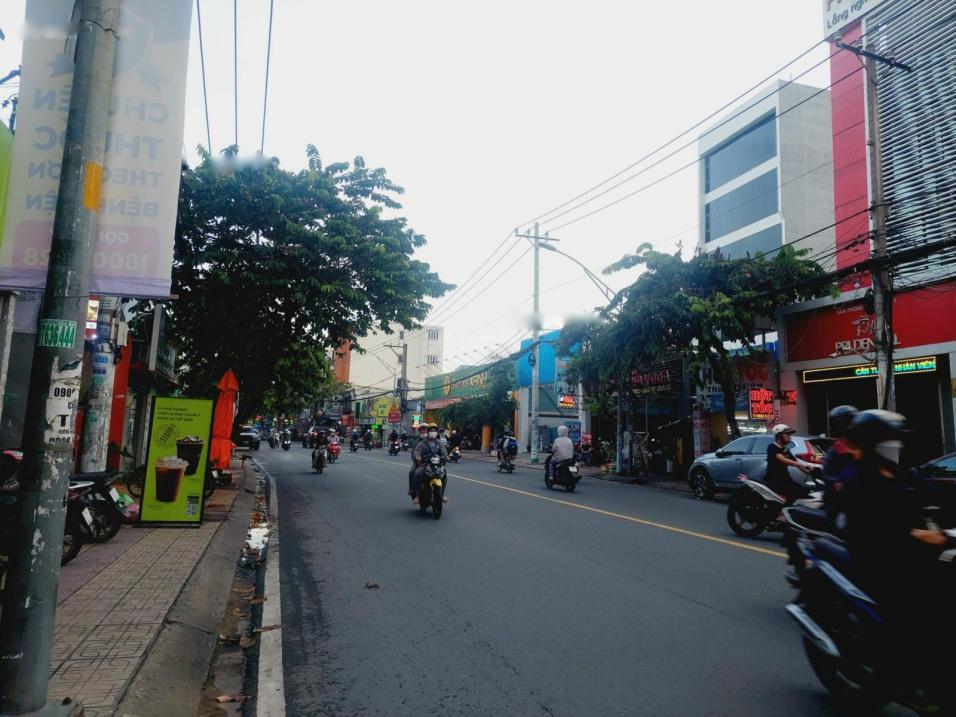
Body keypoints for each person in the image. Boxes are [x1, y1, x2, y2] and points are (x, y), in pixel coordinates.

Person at [821, 405, 859, 534]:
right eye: (852, 423)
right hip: (839, 501)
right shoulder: (836, 449)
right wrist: (838, 483)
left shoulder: (859, 446)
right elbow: (827, 473)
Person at [765, 424, 811, 503]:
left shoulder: (785, 449)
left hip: (786, 480)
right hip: (776, 481)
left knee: (805, 493)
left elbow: (796, 462)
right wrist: (801, 464)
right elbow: (783, 459)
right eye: (787, 434)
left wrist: (810, 471)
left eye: (790, 435)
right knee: (796, 494)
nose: (790, 437)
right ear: (779, 436)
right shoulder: (772, 447)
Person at [411, 423, 448, 504]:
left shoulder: (439, 443)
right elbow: (417, 452)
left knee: (444, 473)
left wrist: (446, 457)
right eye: (431, 430)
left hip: (436, 465)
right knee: (416, 473)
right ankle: (417, 496)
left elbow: (444, 452)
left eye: (435, 430)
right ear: (428, 432)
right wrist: (418, 457)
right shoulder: (422, 443)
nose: (433, 432)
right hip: (424, 464)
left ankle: (442, 495)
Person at [408, 423, 429, 499]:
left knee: (442, 473)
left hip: (432, 462)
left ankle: (441, 494)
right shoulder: (416, 442)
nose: (423, 431)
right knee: (412, 472)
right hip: (419, 462)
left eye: (425, 430)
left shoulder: (433, 440)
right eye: (421, 430)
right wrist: (417, 459)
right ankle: (412, 490)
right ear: (419, 431)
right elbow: (413, 453)